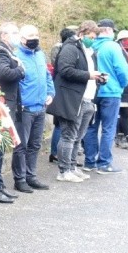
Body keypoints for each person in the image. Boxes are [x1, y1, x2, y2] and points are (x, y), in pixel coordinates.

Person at [47, 20, 103, 183]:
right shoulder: (71, 48)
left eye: (94, 37)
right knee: (68, 136)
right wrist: (88, 75)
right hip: (72, 98)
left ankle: (72, 167)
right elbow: (65, 70)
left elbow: (89, 72)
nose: (92, 40)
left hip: (87, 98)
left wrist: (98, 78)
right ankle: (64, 171)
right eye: (90, 37)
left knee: (78, 136)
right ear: (81, 34)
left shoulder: (90, 51)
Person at [12, 24, 54, 193]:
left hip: (41, 106)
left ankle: (31, 175)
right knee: (21, 145)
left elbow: (46, 75)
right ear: (22, 38)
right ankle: (20, 179)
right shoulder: (15, 55)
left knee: (35, 144)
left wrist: (51, 92)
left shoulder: (40, 54)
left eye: (36, 34)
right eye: (30, 35)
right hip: (25, 107)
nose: (34, 38)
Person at [83, 18, 128, 174]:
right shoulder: (113, 46)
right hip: (111, 92)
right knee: (108, 128)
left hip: (92, 92)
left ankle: (89, 162)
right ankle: (104, 163)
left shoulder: (91, 45)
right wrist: (122, 84)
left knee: (91, 127)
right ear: (109, 31)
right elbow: (122, 70)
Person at [0, 22, 26, 203]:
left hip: (8, 103)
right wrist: (21, 69)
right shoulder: (0, 52)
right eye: (15, 33)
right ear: (4, 36)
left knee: (1, 148)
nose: (18, 36)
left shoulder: (10, 52)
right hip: (2, 104)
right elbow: (4, 74)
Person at [48, 27, 79, 163]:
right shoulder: (62, 49)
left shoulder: (61, 48)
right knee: (60, 124)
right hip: (61, 87)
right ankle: (55, 152)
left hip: (60, 86)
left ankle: (58, 153)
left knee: (61, 124)